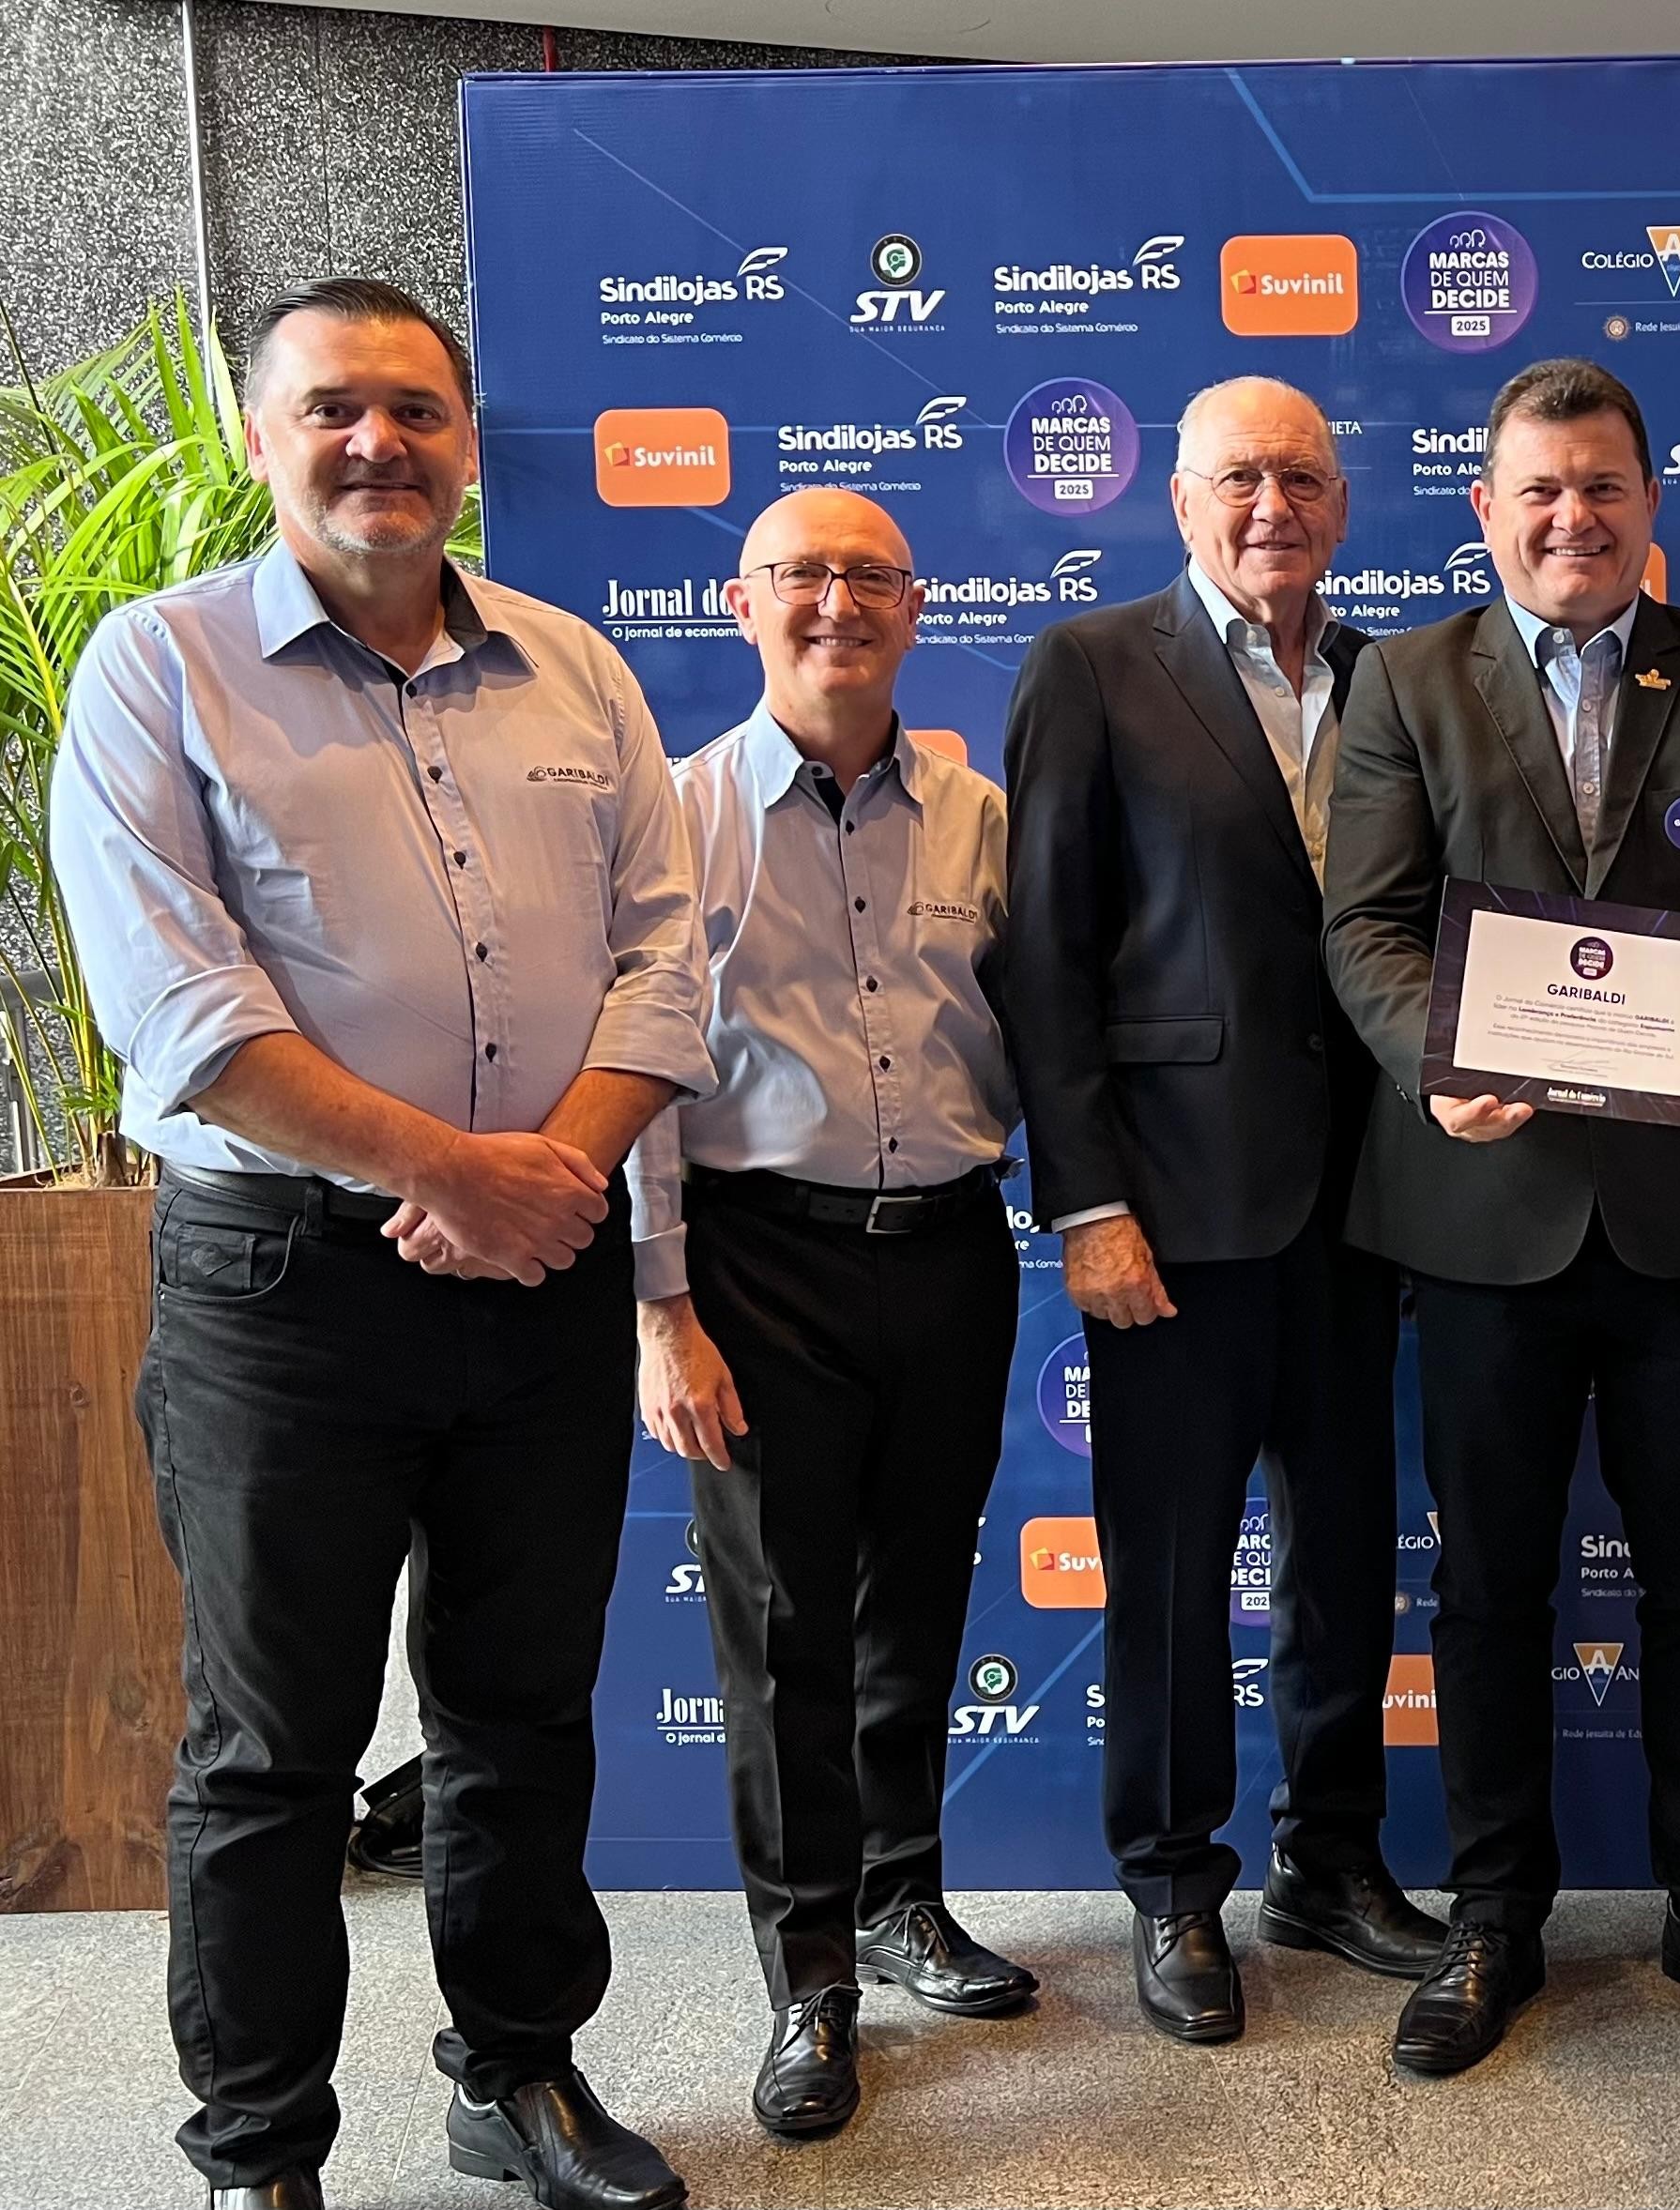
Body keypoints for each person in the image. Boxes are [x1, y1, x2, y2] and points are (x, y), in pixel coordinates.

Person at [48, 279, 706, 2210]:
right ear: (259, 438)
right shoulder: (158, 669)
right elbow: (180, 1014)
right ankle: (260, 2147)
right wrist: (452, 1169)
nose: (376, 443)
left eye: (416, 409)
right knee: (274, 1743)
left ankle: (517, 2072)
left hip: (546, 1270)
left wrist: (550, 1174)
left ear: (467, 443)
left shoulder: (576, 669)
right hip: (285, 1291)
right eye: (332, 407)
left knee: (521, 1709)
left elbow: (667, 954)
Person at [1321, 357, 1680, 2075]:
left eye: (1603, 487)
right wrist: (1432, 1061)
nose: (1573, 518)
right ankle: (1493, 1917)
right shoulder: (1406, 679)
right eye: (1540, 490)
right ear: (1487, 508)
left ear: (1647, 503)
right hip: (1485, 1215)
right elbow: (1366, 925)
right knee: (1487, 1591)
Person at [997, 376, 1443, 2047]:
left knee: (1344, 1558)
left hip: (1370, 1203)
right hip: (1170, 1214)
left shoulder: (1392, 676)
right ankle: (1174, 1881)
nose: (1274, 506)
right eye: (1240, 478)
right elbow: (1045, 961)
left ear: (1344, 503)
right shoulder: (1091, 667)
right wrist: (1087, 1203)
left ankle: (1329, 1859)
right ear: (1181, 501)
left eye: (1304, 478)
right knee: (1173, 1569)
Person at [628, 488, 1034, 2141]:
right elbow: (640, 1074)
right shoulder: (674, 814)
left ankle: (899, 1897)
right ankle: (808, 1980)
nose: (836, 603)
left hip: (947, 1251)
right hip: (753, 1262)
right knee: (784, 1631)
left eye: (869, 576)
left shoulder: (982, 816)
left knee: (914, 1607)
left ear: (915, 607)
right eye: (800, 574)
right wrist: (660, 1306)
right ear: (741, 605)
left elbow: (1040, 1028)